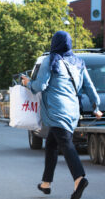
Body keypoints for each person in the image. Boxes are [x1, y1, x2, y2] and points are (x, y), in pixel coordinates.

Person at [21, 31, 103, 199]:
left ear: (54, 44)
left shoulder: (50, 60)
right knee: (51, 144)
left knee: (66, 144)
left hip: (56, 110)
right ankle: (46, 183)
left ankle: (79, 178)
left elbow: (40, 86)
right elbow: (89, 86)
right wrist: (96, 106)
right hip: (72, 110)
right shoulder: (78, 63)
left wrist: (28, 83)